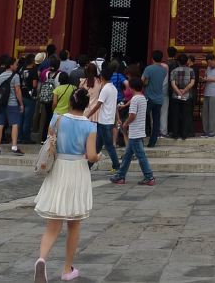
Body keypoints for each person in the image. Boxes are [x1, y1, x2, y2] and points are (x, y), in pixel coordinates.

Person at [34, 87, 98, 283]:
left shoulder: (57, 119)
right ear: (87, 104)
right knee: (74, 223)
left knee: (52, 225)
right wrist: (99, 157)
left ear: (70, 102)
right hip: (77, 169)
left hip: (59, 168)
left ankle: (42, 259)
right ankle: (67, 269)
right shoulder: (90, 126)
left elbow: (51, 142)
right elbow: (91, 156)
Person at [110, 76, 155, 186]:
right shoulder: (142, 98)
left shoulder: (135, 99)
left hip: (135, 131)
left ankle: (149, 176)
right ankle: (120, 175)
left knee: (140, 156)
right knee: (128, 155)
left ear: (132, 87)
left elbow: (132, 115)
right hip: (138, 129)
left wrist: (125, 124)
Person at [86, 63, 121, 172]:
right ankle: (88, 166)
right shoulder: (114, 88)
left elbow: (98, 105)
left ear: (102, 77)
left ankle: (116, 166)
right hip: (107, 121)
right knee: (97, 146)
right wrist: (117, 118)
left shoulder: (105, 89)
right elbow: (114, 105)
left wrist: (88, 115)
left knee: (109, 146)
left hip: (104, 121)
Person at [0, 55, 25, 155]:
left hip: (1, 104)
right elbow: (17, 91)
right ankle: (14, 146)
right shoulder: (15, 76)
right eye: (15, 64)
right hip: (12, 103)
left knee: (0, 124)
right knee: (15, 124)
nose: (16, 66)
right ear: (11, 65)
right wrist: (21, 103)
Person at [142, 50, 168, 147]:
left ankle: (140, 138)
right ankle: (153, 142)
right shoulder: (163, 70)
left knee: (142, 117)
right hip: (159, 98)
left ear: (152, 58)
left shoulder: (149, 69)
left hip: (149, 97)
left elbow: (143, 81)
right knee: (156, 120)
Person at [168, 53, 196, 141]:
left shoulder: (174, 71)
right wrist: (184, 90)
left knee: (175, 115)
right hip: (187, 95)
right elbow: (192, 83)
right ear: (186, 61)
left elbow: (172, 84)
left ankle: (175, 134)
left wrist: (179, 92)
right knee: (186, 115)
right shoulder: (191, 70)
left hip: (176, 96)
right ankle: (184, 134)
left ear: (178, 62)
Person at [19, 53, 39, 145]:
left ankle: (19, 137)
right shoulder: (34, 70)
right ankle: (26, 138)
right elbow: (34, 84)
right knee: (28, 118)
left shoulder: (22, 69)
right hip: (29, 96)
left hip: (21, 95)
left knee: (20, 118)